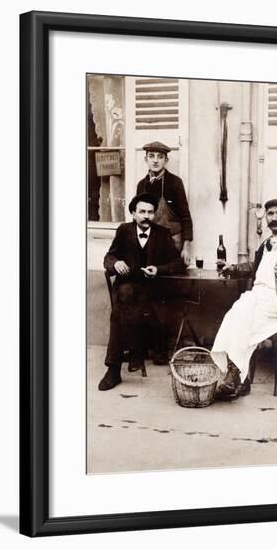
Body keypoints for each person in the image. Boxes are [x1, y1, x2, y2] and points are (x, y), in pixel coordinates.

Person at [210, 199, 277, 400]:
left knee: (244, 320)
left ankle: (238, 379)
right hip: (257, 297)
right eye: (270, 214)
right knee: (235, 314)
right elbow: (254, 266)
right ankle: (238, 378)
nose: (274, 218)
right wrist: (232, 268)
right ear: (266, 217)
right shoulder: (267, 243)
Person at [98, 193, 185, 391]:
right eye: (142, 212)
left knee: (121, 310)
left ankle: (125, 360)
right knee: (125, 298)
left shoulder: (162, 234)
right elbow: (108, 257)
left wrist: (159, 270)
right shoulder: (123, 230)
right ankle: (118, 365)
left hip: (151, 292)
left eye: (150, 212)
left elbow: (178, 262)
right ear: (133, 213)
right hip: (127, 288)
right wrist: (116, 263)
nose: (146, 216)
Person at [136, 141, 193, 266]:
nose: (155, 161)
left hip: (171, 244)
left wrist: (186, 246)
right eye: (151, 156)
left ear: (166, 161)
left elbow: (185, 216)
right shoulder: (141, 185)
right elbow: (137, 218)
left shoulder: (175, 183)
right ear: (146, 159)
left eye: (160, 157)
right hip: (149, 243)